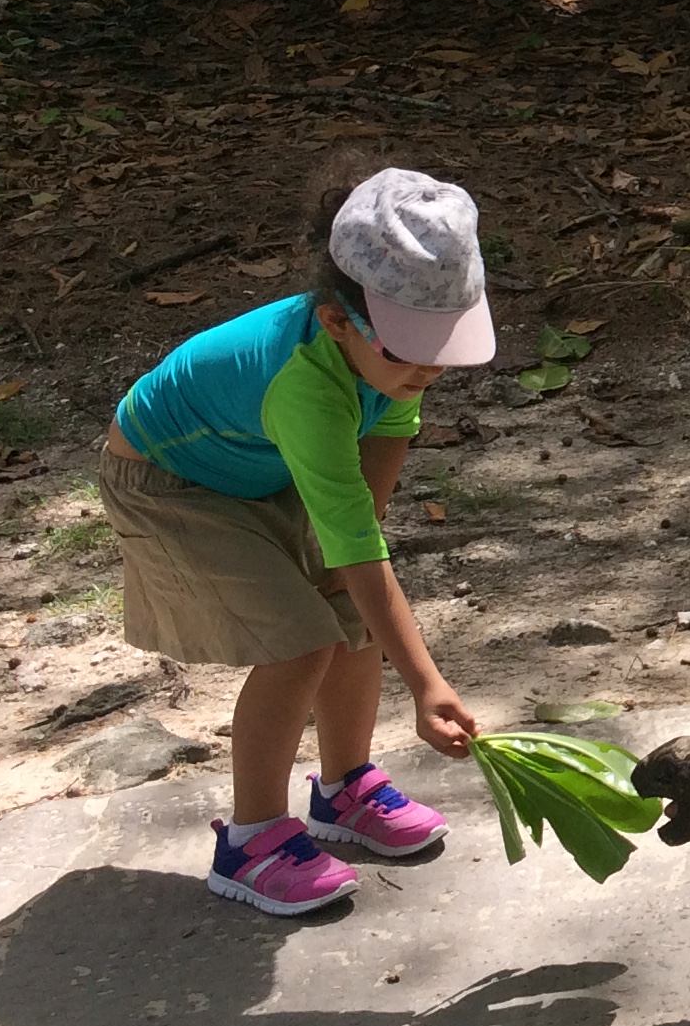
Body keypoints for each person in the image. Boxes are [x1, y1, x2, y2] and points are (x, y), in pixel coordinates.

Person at [101, 162, 497, 915]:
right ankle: (249, 840)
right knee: (299, 643)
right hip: (170, 484)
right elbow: (359, 544)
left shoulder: (389, 367)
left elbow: (383, 451)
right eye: (408, 350)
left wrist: (346, 561)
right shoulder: (307, 384)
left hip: (262, 470)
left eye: (440, 348)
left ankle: (345, 788)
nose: (425, 370)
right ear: (338, 322)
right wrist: (427, 685)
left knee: (352, 614)